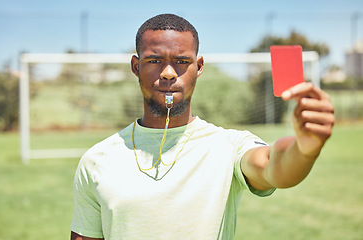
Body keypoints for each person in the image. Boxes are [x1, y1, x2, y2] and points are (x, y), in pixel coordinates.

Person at [70, 14, 335, 240]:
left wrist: (305, 148)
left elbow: (274, 166)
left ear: (198, 67)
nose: (168, 73)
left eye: (182, 61)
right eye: (154, 61)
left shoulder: (228, 146)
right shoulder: (97, 159)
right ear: (136, 67)